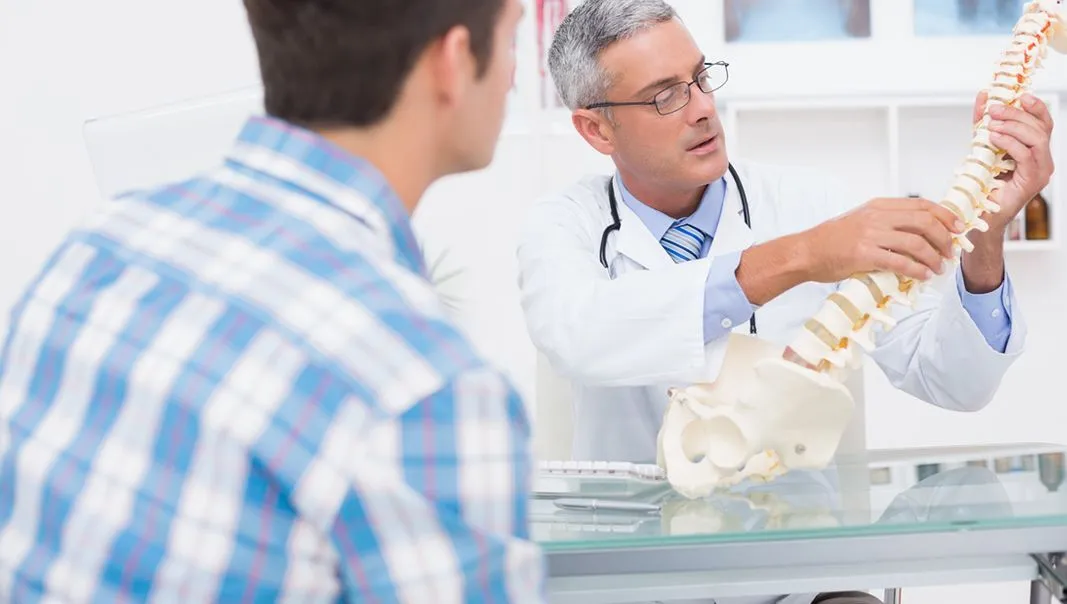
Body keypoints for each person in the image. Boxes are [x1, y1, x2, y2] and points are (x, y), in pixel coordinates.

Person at [0, 0, 546, 601]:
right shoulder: (426, 386)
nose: (513, 76)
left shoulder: (99, 247)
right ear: (454, 61)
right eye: (511, 40)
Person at [516, 0, 1051, 601]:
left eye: (700, 77)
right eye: (665, 96)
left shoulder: (810, 202)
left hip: (799, 581)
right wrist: (802, 256)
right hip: (632, 584)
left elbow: (953, 380)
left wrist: (987, 231)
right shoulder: (563, 226)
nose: (702, 108)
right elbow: (579, 335)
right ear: (596, 129)